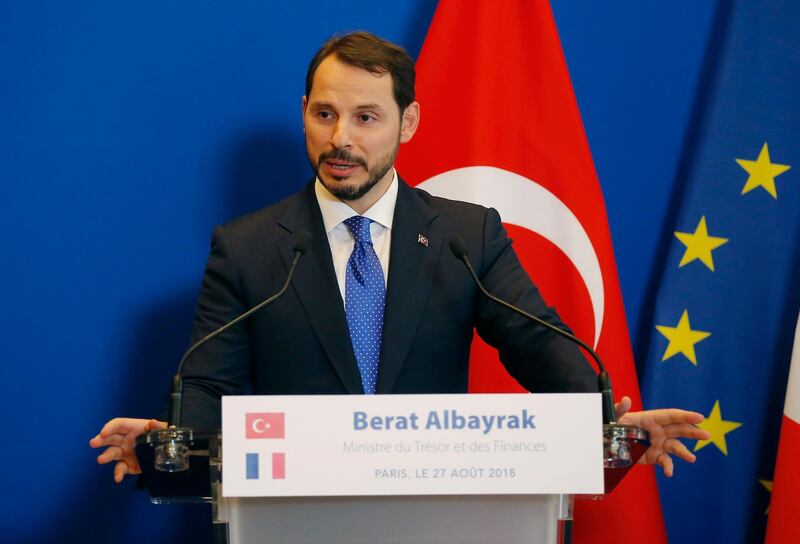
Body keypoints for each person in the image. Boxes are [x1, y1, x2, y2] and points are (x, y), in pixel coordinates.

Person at [90, 31, 709, 484]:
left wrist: (605, 422)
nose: (341, 139)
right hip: (293, 511)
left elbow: (536, 343)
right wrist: (171, 440)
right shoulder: (246, 247)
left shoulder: (465, 236)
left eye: (366, 117)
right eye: (324, 114)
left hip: (437, 507)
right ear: (303, 114)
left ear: (407, 123)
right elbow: (208, 381)